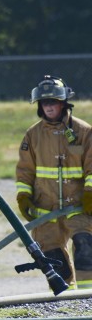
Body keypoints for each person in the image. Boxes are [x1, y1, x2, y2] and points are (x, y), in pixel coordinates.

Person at [16, 76, 92, 290]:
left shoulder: (85, 132)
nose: (48, 106)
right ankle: (65, 298)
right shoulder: (32, 135)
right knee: (53, 257)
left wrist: (90, 194)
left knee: (86, 247)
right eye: (44, 102)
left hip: (79, 206)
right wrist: (23, 197)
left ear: (63, 103)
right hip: (45, 209)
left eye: (53, 102)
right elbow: (25, 171)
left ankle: (87, 300)